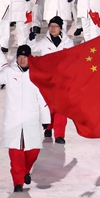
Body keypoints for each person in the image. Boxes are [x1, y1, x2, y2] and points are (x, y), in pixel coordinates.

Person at [0, 45, 50, 192]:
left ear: (29, 58)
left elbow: (42, 98)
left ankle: (25, 171)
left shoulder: (35, 75)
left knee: (33, 150)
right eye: (20, 56)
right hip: (13, 120)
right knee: (16, 153)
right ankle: (18, 182)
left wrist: (46, 119)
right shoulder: (9, 71)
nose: (22, 59)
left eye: (25, 57)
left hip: (31, 119)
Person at [29, 16, 74, 144]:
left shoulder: (68, 43)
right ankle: (48, 127)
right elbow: (32, 48)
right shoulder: (44, 42)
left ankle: (59, 134)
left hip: (62, 81)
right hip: (47, 80)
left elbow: (73, 60)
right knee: (48, 106)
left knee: (61, 108)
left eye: (55, 26)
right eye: (51, 26)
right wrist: (30, 39)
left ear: (61, 28)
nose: (52, 29)